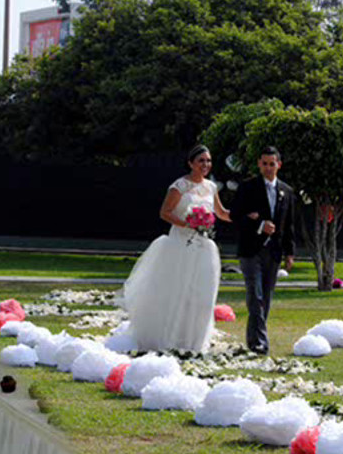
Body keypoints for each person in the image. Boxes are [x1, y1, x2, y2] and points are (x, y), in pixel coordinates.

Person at [120, 145, 231, 352]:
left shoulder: (211, 187)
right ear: (191, 163)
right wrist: (188, 223)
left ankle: (193, 340)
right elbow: (165, 212)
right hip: (180, 245)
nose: (205, 165)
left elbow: (221, 212)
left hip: (203, 247)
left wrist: (245, 216)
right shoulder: (179, 186)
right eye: (201, 161)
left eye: (208, 161)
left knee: (201, 295)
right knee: (177, 292)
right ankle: (169, 337)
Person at [230, 146, 296, 354]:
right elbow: (235, 216)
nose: (268, 168)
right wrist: (259, 225)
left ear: (279, 165)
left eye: (272, 164)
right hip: (251, 250)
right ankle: (261, 342)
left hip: (274, 251)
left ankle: (253, 340)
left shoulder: (287, 191)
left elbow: (289, 225)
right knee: (255, 294)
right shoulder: (248, 187)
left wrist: (290, 252)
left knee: (266, 296)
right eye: (264, 164)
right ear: (259, 164)